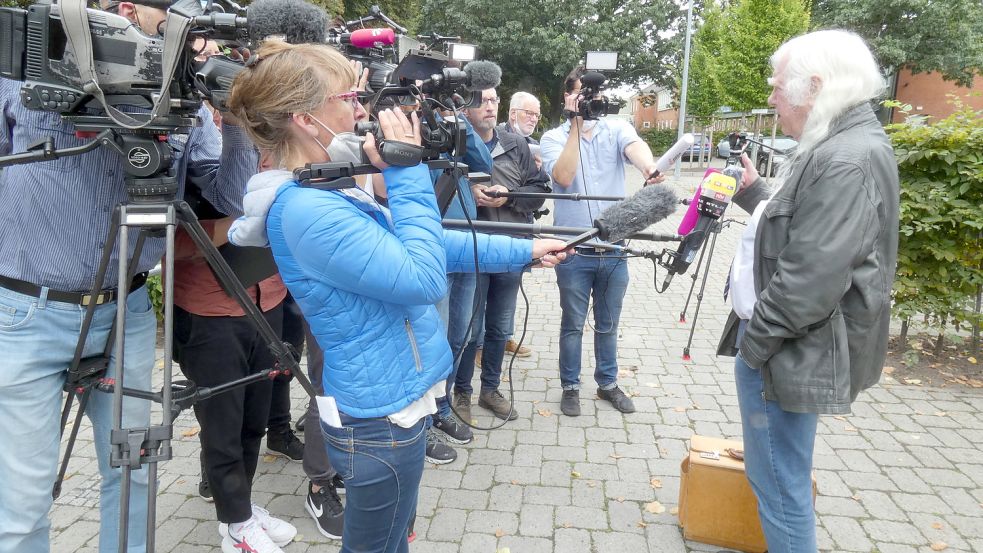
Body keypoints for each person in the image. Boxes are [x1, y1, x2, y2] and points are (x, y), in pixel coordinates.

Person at [225, 41, 569, 553]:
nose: (362, 111)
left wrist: (522, 250)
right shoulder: (304, 210)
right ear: (303, 116)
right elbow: (423, 276)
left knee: (393, 540)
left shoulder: (327, 189)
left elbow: (420, 243)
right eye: (350, 98)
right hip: (379, 418)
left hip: (394, 398)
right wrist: (405, 172)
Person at [0, 2, 257, 552]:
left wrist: (237, 125)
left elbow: (229, 198)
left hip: (129, 313)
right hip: (26, 312)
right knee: (21, 502)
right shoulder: (32, 63)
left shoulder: (185, 95)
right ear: (124, 10)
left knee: (137, 467)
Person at [716, 29, 899, 553]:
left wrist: (756, 347)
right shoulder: (840, 144)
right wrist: (756, 195)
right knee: (780, 478)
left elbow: (809, 279)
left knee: (778, 485)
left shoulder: (843, 158)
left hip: (786, 350)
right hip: (791, 346)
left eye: (778, 87)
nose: (771, 98)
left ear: (814, 86)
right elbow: (807, 233)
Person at [540, 66, 664, 417]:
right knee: (573, 324)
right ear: (567, 97)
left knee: (609, 323)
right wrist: (576, 124)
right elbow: (562, 176)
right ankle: (570, 386)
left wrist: (648, 168)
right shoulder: (553, 138)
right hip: (573, 251)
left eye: (593, 96)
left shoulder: (617, 128)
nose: (590, 102)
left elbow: (636, 147)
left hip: (614, 249)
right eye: (581, 95)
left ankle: (608, 383)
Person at [170, 216, 297, 553]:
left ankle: (239, 513)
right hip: (210, 312)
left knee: (254, 421)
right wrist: (246, 218)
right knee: (222, 426)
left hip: (267, 299)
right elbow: (170, 243)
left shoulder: (271, 167)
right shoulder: (191, 165)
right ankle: (238, 523)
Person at [454, 87, 549, 421]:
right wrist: (468, 188)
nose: (490, 106)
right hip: (471, 253)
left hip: (511, 248)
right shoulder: (454, 144)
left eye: (494, 99)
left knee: (499, 327)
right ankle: (461, 393)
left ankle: (490, 390)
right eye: (482, 100)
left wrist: (509, 196)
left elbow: (539, 192)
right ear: (465, 107)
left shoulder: (517, 145)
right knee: (468, 327)